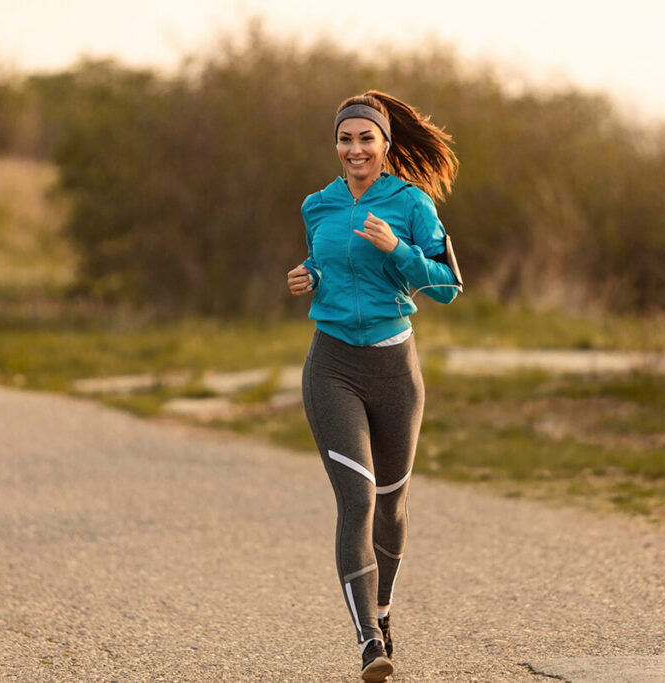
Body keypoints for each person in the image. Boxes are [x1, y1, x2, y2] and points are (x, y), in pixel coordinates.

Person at [287, 90, 460, 682]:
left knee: (390, 506)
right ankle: (368, 643)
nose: (355, 148)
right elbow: (327, 264)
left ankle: (383, 613)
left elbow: (448, 286)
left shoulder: (413, 204)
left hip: (395, 371)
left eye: (366, 138)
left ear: (386, 145)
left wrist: (400, 250)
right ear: (335, 145)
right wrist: (309, 276)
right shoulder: (318, 205)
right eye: (345, 138)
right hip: (331, 366)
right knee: (356, 501)